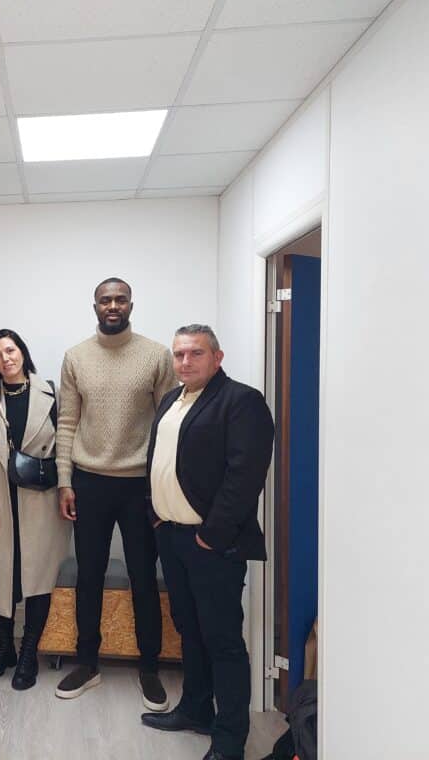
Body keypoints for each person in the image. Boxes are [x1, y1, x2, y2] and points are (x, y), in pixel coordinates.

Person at [140, 325, 274, 760]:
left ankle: (230, 740)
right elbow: (158, 461)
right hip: (173, 538)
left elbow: (244, 477)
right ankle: (195, 710)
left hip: (210, 546)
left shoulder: (241, 401)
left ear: (217, 357)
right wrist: (156, 515)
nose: (185, 362)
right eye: (179, 354)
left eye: (195, 353)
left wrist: (210, 536)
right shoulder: (171, 400)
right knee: (190, 632)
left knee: (223, 642)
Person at [54, 278, 176, 710]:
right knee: (90, 575)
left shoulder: (157, 355)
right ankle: (87, 662)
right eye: (105, 299)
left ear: (130, 304)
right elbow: (67, 423)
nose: (112, 305)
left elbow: (170, 425)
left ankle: (149, 667)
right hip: (89, 481)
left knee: (144, 576)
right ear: (94, 305)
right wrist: (65, 481)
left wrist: (163, 488)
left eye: (119, 299)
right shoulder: (76, 357)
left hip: (139, 485)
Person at [0, 329, 70, 690]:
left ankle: (28, 653)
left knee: (38, 580)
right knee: (1, 578)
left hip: (41, 502)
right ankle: (4, 648)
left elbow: (66, 447)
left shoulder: (52, 394)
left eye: (10, 350)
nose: (5, 358)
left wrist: (67, 490)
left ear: (22, 352)